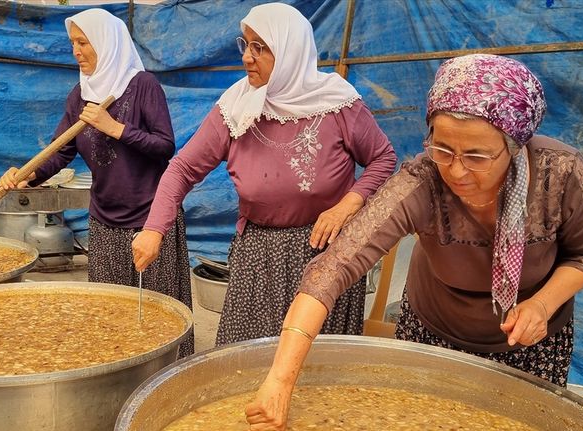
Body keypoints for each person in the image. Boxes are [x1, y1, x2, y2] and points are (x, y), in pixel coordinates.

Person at [244, 53, 583, 431]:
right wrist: (280, 382)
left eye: (476, 156)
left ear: (515, 147)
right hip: (432, 340)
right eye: (443, 148)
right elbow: (330, 271)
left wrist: (541, 305)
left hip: (531, 347)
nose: (455, 170)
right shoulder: (422, 182)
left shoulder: (561, 174)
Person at [132, 2, 396, 346]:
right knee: (245, 358)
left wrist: (348, 204)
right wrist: (154, 229)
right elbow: (182, 169)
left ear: (290, 50)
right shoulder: (236, 107)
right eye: (245, 44)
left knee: (316, 363)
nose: (246, 57)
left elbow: (383, 158)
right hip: (259, 255)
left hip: (325, 252)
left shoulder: (337, 104)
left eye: (260, 47)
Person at [0, 9, 194, 356]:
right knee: (108, 308)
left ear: (107, 43)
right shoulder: (79, 95)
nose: (76, 50)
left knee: (156, 309)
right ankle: (116, 369)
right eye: (73, 42)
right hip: (105, 219)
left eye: (83, 42)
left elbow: (165, 146)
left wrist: (115, 127)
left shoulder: (142, 86)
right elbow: (61, 151)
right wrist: (30, 174)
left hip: (150, 219)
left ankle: (164, 375)